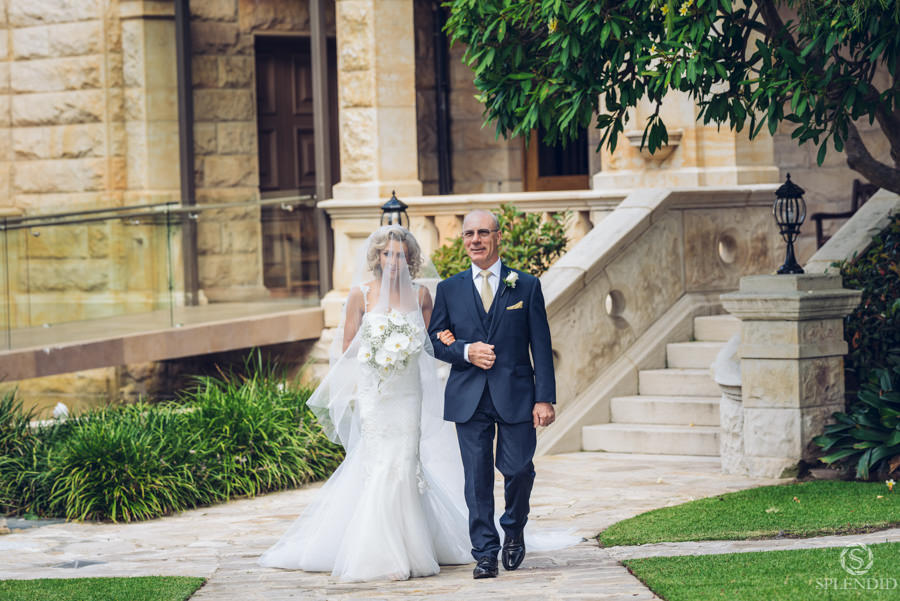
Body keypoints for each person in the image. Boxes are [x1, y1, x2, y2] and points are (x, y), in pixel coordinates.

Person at [258, 225, 472, 582]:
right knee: (380, 463)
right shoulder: (361, 295)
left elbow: (432, 342)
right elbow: (345, 349)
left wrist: (431, 342)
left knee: (405, 462)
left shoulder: (421, 295)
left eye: (401, 255)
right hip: (377, 394)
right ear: (377, 257)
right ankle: (381, 552)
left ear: (410, 259)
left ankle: (412, 546)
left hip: (408, 394)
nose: (394, 261)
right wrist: (378, 349)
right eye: (388, 254)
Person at [427, 209, 556, 579]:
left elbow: (541, 345)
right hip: (468, 397)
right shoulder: (449, 289)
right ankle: (485, 552)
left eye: (483, 233)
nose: (475, 240)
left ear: (498, 237)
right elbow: (435, 340)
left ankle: (514, 528)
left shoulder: (525, 286)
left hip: (517, 393)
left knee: (518, 469)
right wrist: (466, 350)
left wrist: (544, 397)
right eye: (469, 234)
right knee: (476, 479)